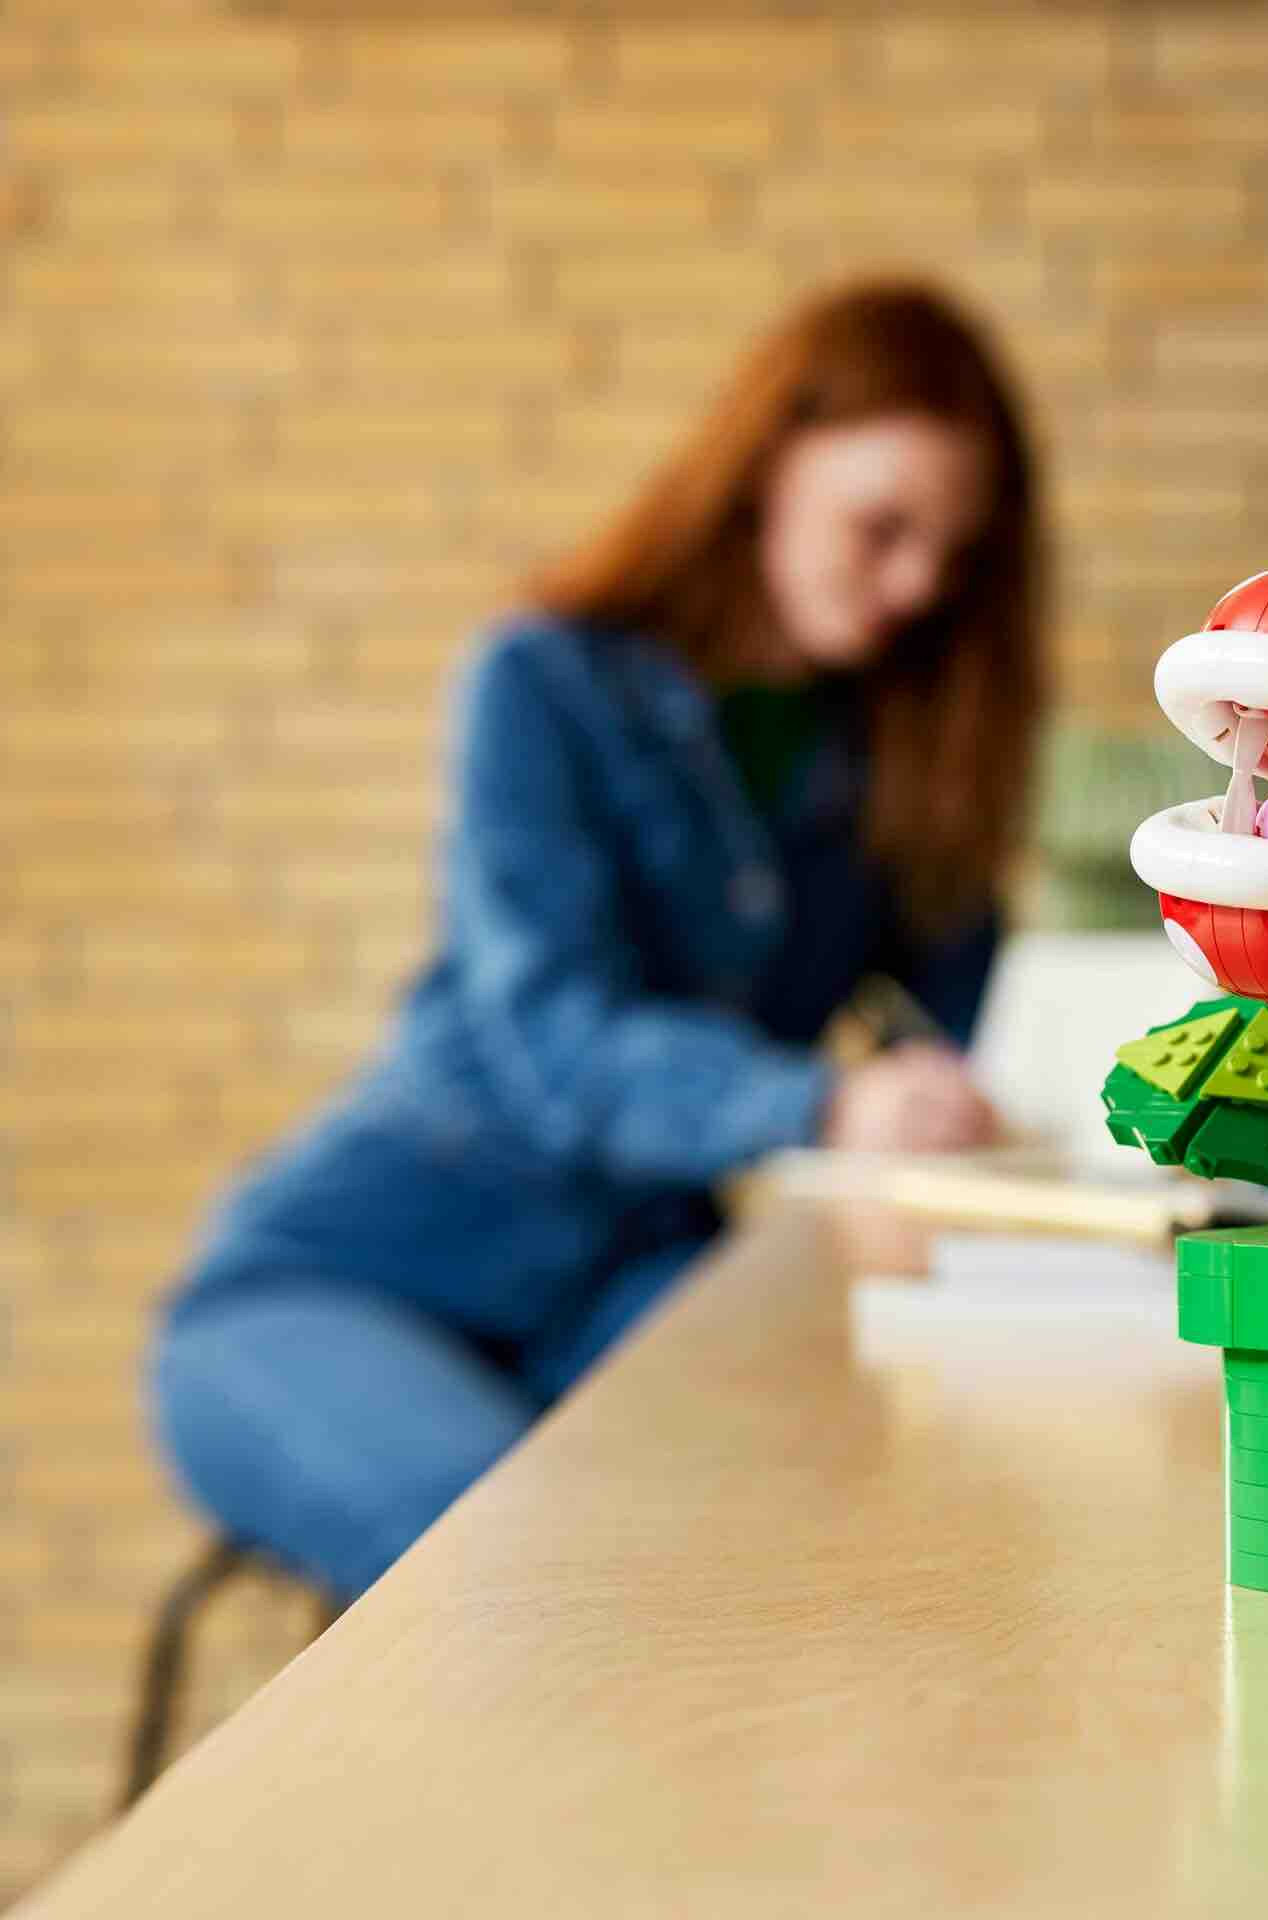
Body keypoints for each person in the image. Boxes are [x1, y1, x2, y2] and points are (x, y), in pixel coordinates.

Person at [148, 282, 1037, 1600]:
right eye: (883, 528)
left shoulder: (899, 752)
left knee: (810, 1528)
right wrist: (826, 1104)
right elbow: (557, 1039)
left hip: (635, 1286)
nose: (917, 584)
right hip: (348, 1284)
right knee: (531, 1573)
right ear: (770, 466)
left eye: (953, 555)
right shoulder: (544, 682)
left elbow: (976, 1040)